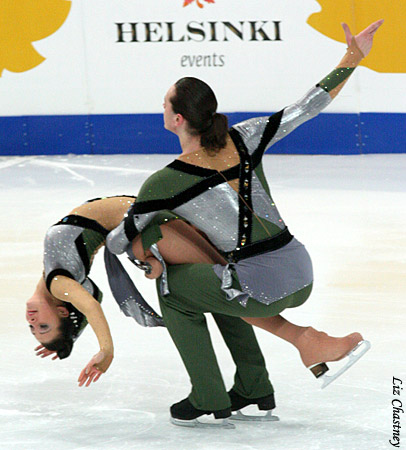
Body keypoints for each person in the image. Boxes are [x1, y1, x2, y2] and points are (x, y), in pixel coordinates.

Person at [106, 20, 383, 427]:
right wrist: (351, 57)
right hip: (300, 269)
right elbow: (308, 105)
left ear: (178, 118)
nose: (161, 108)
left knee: (176, 291)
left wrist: (146, 249)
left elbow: (118, 241)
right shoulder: (246, 137)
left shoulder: (163, 182)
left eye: (165, 103)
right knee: (216, 277)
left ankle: (207, 395)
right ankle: (255, 384)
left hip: (261, 283)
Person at [27, 195, 270, 401]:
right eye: (43, 326)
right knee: (214, 296)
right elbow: (90, 303)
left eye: (33, 327)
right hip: (153, 222)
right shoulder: (61, 285)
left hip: (150, 220)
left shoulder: (57, 283)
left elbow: (90, 303)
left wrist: (69, 333)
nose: (33, 320)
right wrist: (83, 339)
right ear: (61, 312)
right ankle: (248, 386)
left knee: (215, 296)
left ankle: (234, 391)